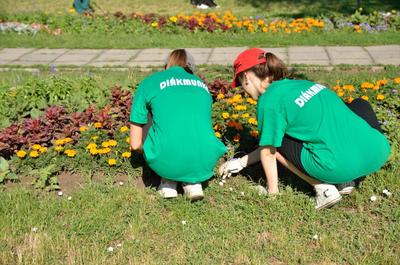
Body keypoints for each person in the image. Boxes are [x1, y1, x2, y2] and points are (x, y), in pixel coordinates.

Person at [219, 48, 391, 210]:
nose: (243, 89)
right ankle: (347, 181)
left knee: (277, 141)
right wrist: (241, 162)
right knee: (359, 104)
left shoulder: (269, 102)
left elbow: (269, 151)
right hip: (378, 152)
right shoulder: (300, 84)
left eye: (241, 82)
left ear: (246, 76)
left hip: (337, 167)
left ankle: (324, 188)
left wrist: (272, 193)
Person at [130, 49, 226, 201]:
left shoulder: (150, 82)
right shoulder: (202, 85)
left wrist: (149, 150)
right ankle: (192, 183)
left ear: (166, 66)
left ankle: (168, 181)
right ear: (191, 69)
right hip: (205, 159)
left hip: (164, 158)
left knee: (154, 112)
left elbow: (135, 145)